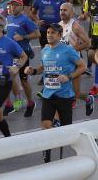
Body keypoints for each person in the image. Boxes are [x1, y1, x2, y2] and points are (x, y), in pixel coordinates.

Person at [24, 23, 87, 163]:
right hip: (48, 95)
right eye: (47, 32)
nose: (49, 35)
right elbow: (44, 67)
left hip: (64, 95)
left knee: (67, 133)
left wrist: (69, 76)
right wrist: (33, 71)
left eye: (52, 33)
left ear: (59, 35)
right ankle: (47, 158)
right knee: (46, 126)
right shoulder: (45, 50)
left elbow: (83, 66)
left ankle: (83, 152)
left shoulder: (68, 50)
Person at [5, 0, 40, 117]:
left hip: (22, 53)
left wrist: (23, 37)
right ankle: (18, 100)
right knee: (11, 76)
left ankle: (30, 102)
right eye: (11, 5)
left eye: (15, 5)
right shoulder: (8, 18)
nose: (13, 7)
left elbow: (37, 34)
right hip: (10, 53)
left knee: (24, 80)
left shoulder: (25, 19)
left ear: (21, 6)